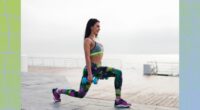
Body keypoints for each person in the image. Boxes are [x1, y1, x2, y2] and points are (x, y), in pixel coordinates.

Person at [52, 18, 131, 108]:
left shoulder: (98, 42)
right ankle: (57, 91)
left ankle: (118, 100)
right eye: (97, 26)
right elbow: (87, 58)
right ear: (91, 27)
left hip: (98, 70)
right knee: (81, 94)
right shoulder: (87, 41)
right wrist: (90, 74)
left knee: (117, 73)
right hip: (91, 69)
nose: (99, 28)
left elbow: (98, 59)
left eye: (99, 26)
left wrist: (100, 75)